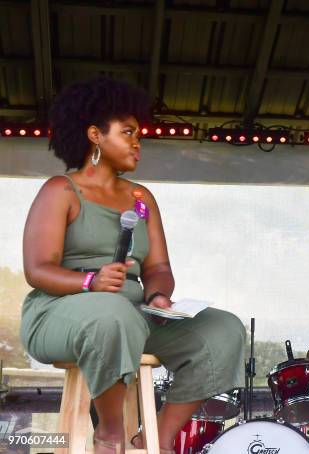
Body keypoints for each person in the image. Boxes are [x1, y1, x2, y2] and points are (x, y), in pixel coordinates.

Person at [19, 77, 245, 454]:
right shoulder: (60, 190)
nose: (138, 142)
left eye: (138, 134)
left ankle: (160, 435)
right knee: (112, 315)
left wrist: (158, 295)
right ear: (95, 135)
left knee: (223, 330)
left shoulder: (142, 197)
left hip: (132, 315)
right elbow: (37, 269)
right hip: (58, 311)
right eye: (127, 133)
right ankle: (110, 433)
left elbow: (158, 267)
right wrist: (90, 281)